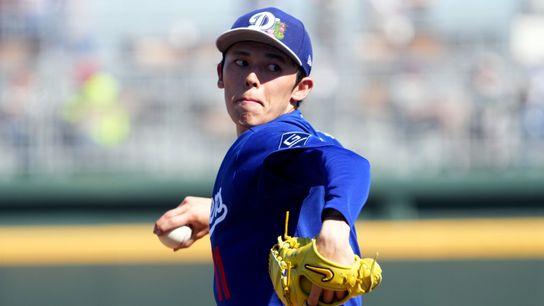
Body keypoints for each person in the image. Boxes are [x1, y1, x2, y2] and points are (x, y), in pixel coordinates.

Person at [154, 7, 371, 306]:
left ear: (301, 88)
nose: (252, 77)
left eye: (273, 68)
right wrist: (225, 211)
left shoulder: (264, 138)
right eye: (241, 62)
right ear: (220, 73)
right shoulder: (271, 155)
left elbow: (351, 165)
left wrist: (335, 228)